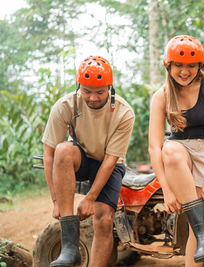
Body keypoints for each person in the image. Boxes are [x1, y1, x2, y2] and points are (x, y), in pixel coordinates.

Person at [42, 56, 135, 267]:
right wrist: (55, 201)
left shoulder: (123, 112)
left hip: (109, 164)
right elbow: (49, 154)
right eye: (87, 91)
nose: (93, 98)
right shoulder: (65, 106)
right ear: (79, 87)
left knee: (103, 220)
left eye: (100, 92)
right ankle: (69, 248)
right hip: (81, 158)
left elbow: (111, 160)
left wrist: (91, 198)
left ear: (109, 87)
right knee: (63, 149)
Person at [148, 35, 204, 266]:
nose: (185, 71)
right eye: (179, 65)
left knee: (198, 228)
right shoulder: (160, 96)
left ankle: (203, 237)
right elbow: (154, 145)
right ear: (168, 65)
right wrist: (167, 191)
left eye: (191, 66)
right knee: (169, 149)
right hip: (178, 154)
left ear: (199, 66)